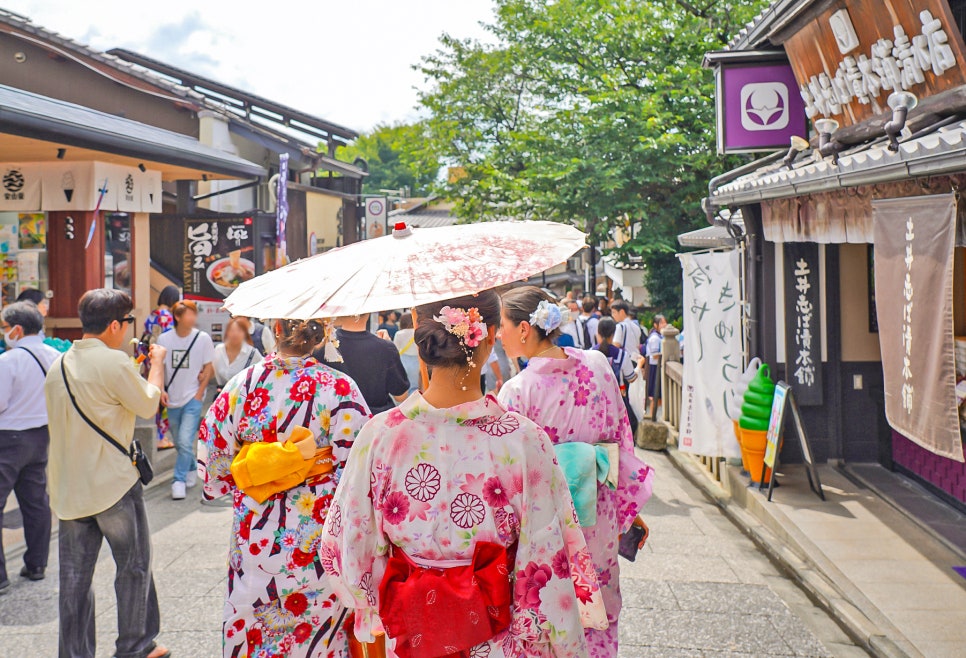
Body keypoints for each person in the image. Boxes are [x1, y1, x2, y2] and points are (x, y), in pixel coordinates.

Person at [321, 290, 605, 657]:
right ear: (489, 336)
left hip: (412, 634)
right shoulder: (523, 440)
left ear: (418, 331)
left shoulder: (380, 436)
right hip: (498, 636)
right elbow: (546, 555)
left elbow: (346, 548)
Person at [498, 286, 654, 657]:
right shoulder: (598, 365)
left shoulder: (517, 393)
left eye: (501, 324)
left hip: (545, 525)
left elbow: (508, 480)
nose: (497, 333)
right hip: (597, 514)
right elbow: (620, 439)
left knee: (549, 619)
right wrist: (625, 510)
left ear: (523, 329)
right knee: (598, 616)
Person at [199, 318, 369, 658]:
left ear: (276, 329)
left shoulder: (242, 385)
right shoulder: (340, 388)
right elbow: (361, 463)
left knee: (253, 618)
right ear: (322, 338)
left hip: (257, 527)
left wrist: (248, 471)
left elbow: (214, 455)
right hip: (314, 529)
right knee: (318, 625)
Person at [44, 289, 169, 658]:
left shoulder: (59, 365)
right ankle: (134, 647)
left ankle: (74, 653)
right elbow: (148, 403)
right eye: (128, 320)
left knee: (74, 581)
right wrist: (157, 364)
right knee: (132, 568)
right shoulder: (113, 363)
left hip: (69, 488)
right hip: (112, 484)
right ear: (115, 325)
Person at [0, 302, 59, 594]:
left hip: (9, 438)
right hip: (41, 436)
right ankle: (36, 564)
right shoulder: (55, 356)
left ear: (17, 329)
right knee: (36, 503)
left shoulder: (9, 361)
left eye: (4, 327)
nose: (4, 333)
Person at [157, 300, 214, 500]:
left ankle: (178, 480)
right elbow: (160, 367)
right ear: (178, 317)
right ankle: (191, 467)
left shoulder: (203, 338)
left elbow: (208, 368)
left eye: (193, 314)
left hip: (193, 398)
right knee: (181, 442)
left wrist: (199, 393)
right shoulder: (164, 339)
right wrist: (162, 390)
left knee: (184, 439)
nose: (193, 318)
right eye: (188, 314)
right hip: (172, 397)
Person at [315, 314, 409, 415]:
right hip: (374, 422)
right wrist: (388, 346)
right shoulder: (386, 348)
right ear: (368, 312)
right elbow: (401, 396)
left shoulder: (323, 348)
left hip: (337, 421)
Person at [143, 286, 179, 450]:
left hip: (150, 357)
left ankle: (160, 435)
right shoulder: (167, 317)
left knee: (155, 397)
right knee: (163, 398)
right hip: (162, 359)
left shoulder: (153, 314)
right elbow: (169, 341)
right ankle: (161, 436)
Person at [594, 317, 639, 437]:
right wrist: (639, 366)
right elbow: (631, 378)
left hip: (594, 400)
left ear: (597, 333)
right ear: (613, 334)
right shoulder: (622, 355)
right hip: (616, 400)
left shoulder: (589, 352)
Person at [212, 316, 263, 389]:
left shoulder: (252, 353)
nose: (235, 334)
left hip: (242, 396)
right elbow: (211, 372)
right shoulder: (219, 350)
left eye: (239, 331)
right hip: (221, 395)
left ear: (245, 333)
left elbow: (263, 370)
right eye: (232, 330)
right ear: (227, 332)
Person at [644, 314, 668, 421]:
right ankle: (653, 417)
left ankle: (655, 416)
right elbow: (654, 355)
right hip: (654, 368)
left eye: (665, 322)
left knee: (657, 396)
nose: (665, 325)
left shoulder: (660, 336)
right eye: (662, 322)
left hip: (656, 367)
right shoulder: (655, 338)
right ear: (655, 324)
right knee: (655, 395)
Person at [393, 312, 420, 393]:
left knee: (403, 385)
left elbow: (395, 349)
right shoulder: (418, 332)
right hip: (416, 360)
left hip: (402, 359)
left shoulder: (399, 334)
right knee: (414, 386)